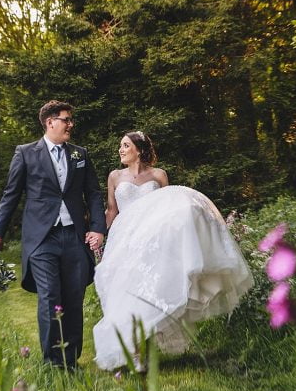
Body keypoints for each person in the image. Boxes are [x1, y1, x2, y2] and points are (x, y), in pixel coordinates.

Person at [92, 131, 254, 370]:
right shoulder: (115, 176)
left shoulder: (159, 175)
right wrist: (99, 234)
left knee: (148, 292)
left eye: (125, 145)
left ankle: (141, 350)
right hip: (125, 240)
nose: (121, 150)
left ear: (139, 149)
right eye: (120, 146)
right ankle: (134, 351)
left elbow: (170, 209)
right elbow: (111, 210)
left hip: (153, 241)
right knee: (125, 290)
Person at [0, 100, 106, 369]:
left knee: (74, 298)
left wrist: (98, 228)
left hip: (75, 237)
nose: (71, 124)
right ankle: (53, 362)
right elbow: (11, 194)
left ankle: (70, 361)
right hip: (42, 239)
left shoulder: (80, 154)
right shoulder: (26, 153)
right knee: (50, 296)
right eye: (66, 119)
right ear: (50, 122)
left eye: (71, 120)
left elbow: (94, 194)